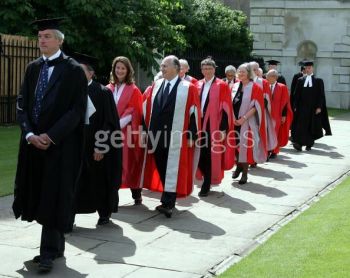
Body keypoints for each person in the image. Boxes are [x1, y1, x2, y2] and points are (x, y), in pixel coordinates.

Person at [12, 18, 87, 272]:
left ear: (59, 40)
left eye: (46, 36)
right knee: (38, 192)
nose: (41, 40)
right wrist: (30, 133)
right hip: (33, 144)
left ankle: (47, 253)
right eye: (40, 36)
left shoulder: (74, 70)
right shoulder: (33, 68)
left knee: (54, 195)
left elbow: (76, 110)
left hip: (60, 147)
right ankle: (56, 247)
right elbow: (22, 102)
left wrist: (50, 136)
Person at [141, 55, 201, 218]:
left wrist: (191, 135)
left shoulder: (188, 87)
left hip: (176, 135)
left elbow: (194, 112)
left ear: (176, 68)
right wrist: (145, 131)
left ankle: (168, 202)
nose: (162, 68)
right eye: (161, 66)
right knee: (161, 165)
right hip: (156, 135)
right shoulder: (157, 84)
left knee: (172, 168)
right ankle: (167, 199)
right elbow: (148, 110)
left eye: (165, 66)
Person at [71, 53, 122, 227]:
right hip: (74, 146)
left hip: (95, 147)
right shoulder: (69, 91)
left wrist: (101, 147)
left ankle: (104, 213)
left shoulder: (102, 92)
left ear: (91, 73)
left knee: (99, 181)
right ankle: (69, 216)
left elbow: (109, 123)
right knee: (73, 182)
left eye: (81, 70)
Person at [106, 56, 144, 205]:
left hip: (126, 133)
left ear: (128, 70)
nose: (120, 70)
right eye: (117, 68)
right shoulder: (109, 88)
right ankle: (111, 197)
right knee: (112, 165)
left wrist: (116, 124)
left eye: (123, 68)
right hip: (108, 133)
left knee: (129, 163)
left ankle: (136, 193)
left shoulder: (133, 90)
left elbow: (134, 111)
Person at [196, 57, 235, 197]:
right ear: (201, 70)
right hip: (198, 124)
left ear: (214, 69)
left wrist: (223, 128)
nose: (207, 71)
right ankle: (205, 177)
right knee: (198, 154)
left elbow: (226, 108)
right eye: (204, 69)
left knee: (208, 154)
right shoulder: (197, 84)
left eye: (209, 69)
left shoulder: (221, 85)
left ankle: (207, 183)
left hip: (213, 126)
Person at [231, 63, 267, 184]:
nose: (241, 74)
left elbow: (256, 107)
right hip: (234, 122)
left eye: (243, 72)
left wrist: (243, 118)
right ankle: (239, 166)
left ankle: (245, 173)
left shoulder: (255, 87)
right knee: (235, 146)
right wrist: (232, 118)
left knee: (245, 147)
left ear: (248, 73)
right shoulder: (234, 86)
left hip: (247, 122)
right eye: (239, 71)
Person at [292, 60, 332, 151]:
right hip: (302, 108)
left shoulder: (318, 81)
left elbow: (321, 95)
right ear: (305, 69)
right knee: (300, 125)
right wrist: (295, 105)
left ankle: (309, 143)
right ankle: (299, 144)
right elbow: (296, 94)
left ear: (312, 68)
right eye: (306, 68)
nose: (308, 69)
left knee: (311, 125)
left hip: (313, 108)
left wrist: (319, 107)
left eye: (309, 68)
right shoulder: (300, 80)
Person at [250, 61, 277, 163]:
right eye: (252, 69)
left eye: (256, 69)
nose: (254, 71)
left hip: (259, 113)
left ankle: (258, 155)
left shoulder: (263, 82)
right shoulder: (244, 81)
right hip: (246, 113)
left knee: (259, 135)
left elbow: (267, 100)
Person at [266, 69, 293, 158]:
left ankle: (274, 151)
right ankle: (267, 150)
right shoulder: (264, 86)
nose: (266, 77)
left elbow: (285, 102)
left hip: (277, 114)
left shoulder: (282, 87)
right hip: (266, 113)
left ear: (274, 77)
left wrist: (284, 115)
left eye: (268, 76)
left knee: (275, 133)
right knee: (266, 132)